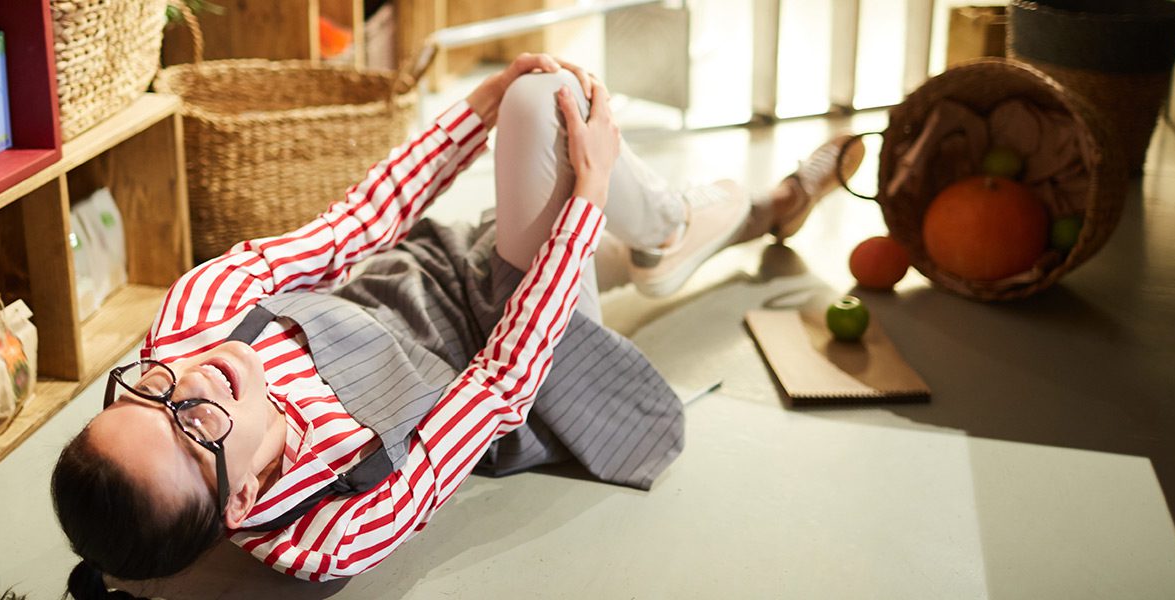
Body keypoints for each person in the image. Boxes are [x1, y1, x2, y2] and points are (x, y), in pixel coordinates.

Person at [51, 54, 863, 598]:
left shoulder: (193, 325)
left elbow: (349, 230)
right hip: (522, 352)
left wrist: (473, 114)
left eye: (145, 392)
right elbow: (502, 381)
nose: (189, 383)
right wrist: (588, 193)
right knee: (549, 106)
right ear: (243, 500)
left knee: (534, 123)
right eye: (193, 428)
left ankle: (713, 223)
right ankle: (702, 220)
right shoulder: (333, 526)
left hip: (445, 267)